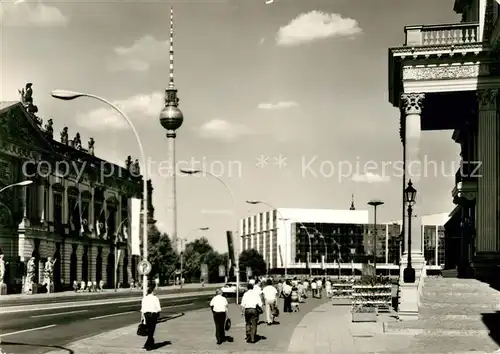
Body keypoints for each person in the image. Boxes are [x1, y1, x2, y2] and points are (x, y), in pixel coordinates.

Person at [141, 284, 162, 350]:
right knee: (151, 330)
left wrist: (143, 316)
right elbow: (158, 308)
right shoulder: (155, 298)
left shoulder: (145, 298)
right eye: (155, 290)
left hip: (146, 315)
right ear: (152, 291)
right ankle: (149, 345)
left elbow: (143, 308)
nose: (155, 291)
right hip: (153, 315)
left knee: (149, 330)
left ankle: (148, 344)